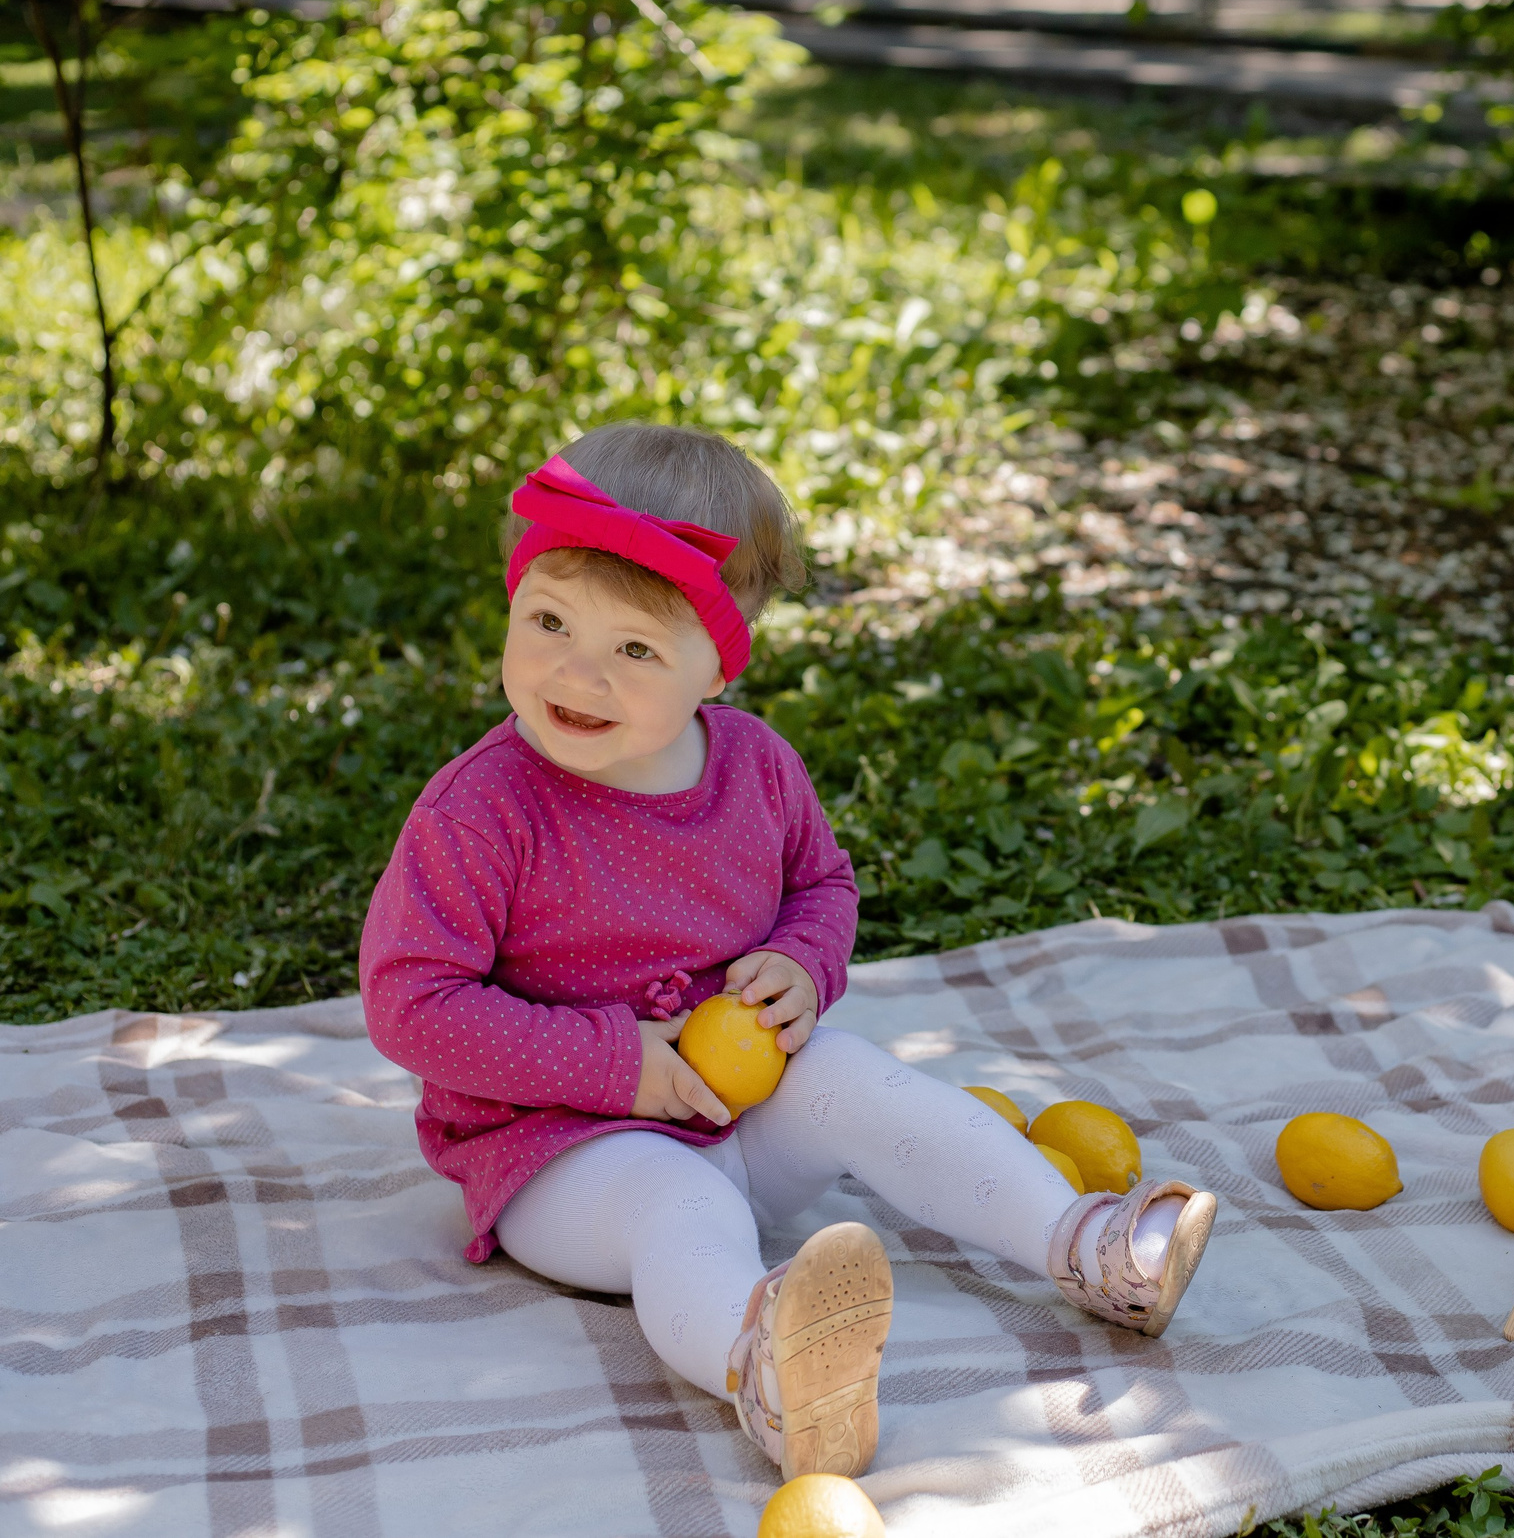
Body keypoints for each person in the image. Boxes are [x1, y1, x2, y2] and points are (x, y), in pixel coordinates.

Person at [359, 423, 1216, 1482]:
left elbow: (823, 886)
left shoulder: (756, 770)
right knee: (683, 1206)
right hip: (557, 1152)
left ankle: (1083, 1244)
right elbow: (413, 1004)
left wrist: (807, 964)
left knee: (857, 1075)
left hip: (744, 1111)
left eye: (635, 648)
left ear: (717, 667)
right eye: (547, 620)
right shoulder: (483, 812)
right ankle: (767, 1367)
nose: (576, 672)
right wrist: (621, 1063)